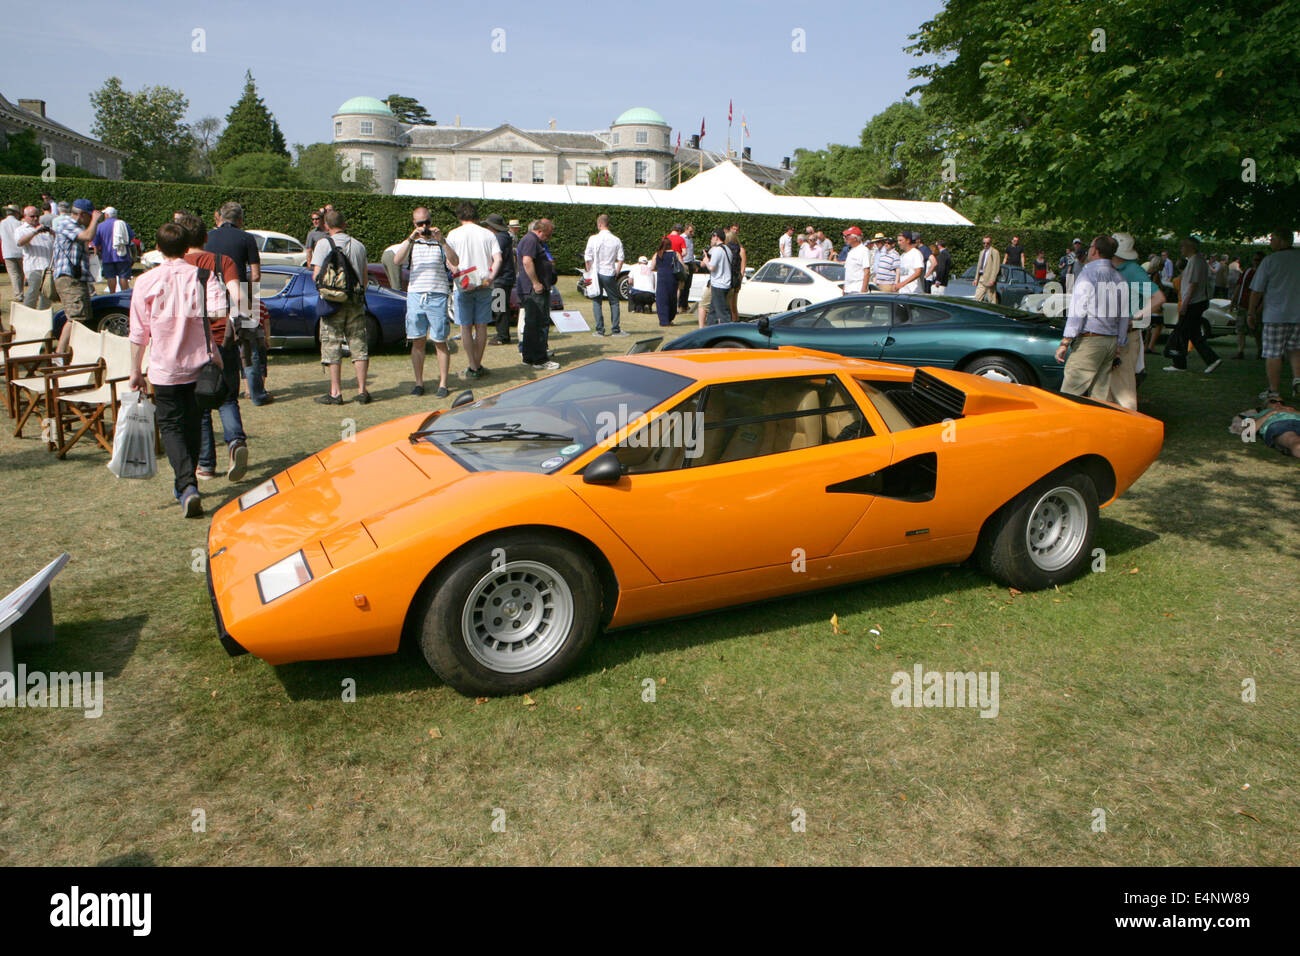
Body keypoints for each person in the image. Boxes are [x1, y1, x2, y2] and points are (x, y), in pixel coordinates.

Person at [127, 223, 212, 518]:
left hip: (164, 366)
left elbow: (139, 331)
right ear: (187, 247)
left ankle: (186, 484)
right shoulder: (202, 276)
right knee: (194, 421)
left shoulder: (146, 281)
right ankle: (187, 482)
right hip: (198, 363)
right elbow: (214, 313)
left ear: (159, 247)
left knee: (172, 426)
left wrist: (135, 369)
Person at [177, 214, 250, 482]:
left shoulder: (179, 266)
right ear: (205, 238)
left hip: (193, 340)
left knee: (201, 403)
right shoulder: (223, 261)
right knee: (228, 396)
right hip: (223, 337)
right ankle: (235, 442)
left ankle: (206, 464)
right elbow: (239, 296)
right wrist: (235, 319)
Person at [206, 202, 271, 405]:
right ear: (240, 220)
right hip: (242, 293)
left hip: (212, 295)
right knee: (249, 346)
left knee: (216, 342)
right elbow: (256, 274)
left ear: (219, 217)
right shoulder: (247, 238)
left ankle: (216, 387)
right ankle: (256, 394)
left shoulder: (207, 237)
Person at [393, 206, 458, 398]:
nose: (424, 227)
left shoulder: (440, 243)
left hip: (437, 294)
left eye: (427, 223)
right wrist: (412, 237)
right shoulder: (411, 243)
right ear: (414, 224)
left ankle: (443, 384)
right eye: (420, 223)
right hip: (415, 295)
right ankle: (419, 383)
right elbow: (397, 260)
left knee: (440, 341)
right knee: (418, 340)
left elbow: (455, 261)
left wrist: (443, 241)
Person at [310, 209, 371, 403]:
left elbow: (316, 276)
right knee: (358, 344)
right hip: (354, 301)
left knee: (332, 343)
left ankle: (335, 392)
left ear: (326, 226)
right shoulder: (359, 246)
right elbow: (364, 278)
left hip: (331, 302)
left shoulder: (322, 244)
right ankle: (362, 390)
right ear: (345, 224)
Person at [1056, 235, 1128, 399]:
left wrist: (1065, 341)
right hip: (1110, 341)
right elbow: (1124, 316)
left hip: (1090, 341)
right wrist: (1119, 345)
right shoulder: (1119, 278)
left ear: (1095, 250)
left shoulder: (1088, 275)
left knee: (1070, 394)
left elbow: (1078, 311)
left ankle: (1069, 424)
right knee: (1099, 397)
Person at [444, 201, 501, 379]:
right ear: (475, 216)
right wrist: (491, 277)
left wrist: (455, 271)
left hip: (463, 283)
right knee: (482, 326)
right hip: (484, 282)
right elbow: (498, 259)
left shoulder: (453, 234)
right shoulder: (488, 234)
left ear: (459, 216)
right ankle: (477, 364)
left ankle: (473, 364)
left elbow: (450, 260)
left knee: (465, 327)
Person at [1107, 232, 1165, 410]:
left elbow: (1158, 297)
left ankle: (1132, 429)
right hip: (1116, 334)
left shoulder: (1132, 270)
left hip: (1125, 335)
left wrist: (1137, 317)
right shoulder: (1117, 269)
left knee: (1124, 389)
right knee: (1111, 387)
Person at [1247, 230, 1300, 402]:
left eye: (1273, 239)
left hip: (1275, 315)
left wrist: (1251, 311)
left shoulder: (1270, 261)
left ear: (1281, 241)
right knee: (1295, 349)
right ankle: (1297, 379)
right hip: (1298, 314)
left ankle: (1274, 391)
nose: (1270, 241)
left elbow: (1257, 290)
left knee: (1273, 353)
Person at [1164, 237, 1221, 374]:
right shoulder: (1196, 260)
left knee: (1183, 330)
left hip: (1193, 302)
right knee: (1191, 332)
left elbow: (1193, 284)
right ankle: (1182, 362)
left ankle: (1205, 359)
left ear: (1190, 247)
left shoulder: (1196, 261)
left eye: (1183, 246)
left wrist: (1185, 303)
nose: (1181, 249)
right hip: (1195, 302)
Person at [52, 199, 102, 352]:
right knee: (75, 317)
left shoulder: (75, 226)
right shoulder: (66, 223)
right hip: (68, 277)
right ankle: (59, 354)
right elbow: (88, 236)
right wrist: (95, 220)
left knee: (82, 316)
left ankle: (74, 350)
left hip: (76, 277)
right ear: (81, 214)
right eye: (89, 216)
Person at [516, 219, 559, 370]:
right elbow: (527, 261)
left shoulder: (532, 240)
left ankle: (528, 357)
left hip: (533, 289)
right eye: (547, 235)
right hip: (534, 290)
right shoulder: (531, 240)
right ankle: (540, 359)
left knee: (532, 324)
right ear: (540, 231)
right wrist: (536, 283)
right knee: (539, 323)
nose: (548, 238)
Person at [584, 214, 626, 336]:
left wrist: (589, 272)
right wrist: (617, 272)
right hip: (609, 272)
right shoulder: (616, 239)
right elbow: (621, 258)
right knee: (614, 301)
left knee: (596, 300)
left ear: (599, 224)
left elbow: (588, 257)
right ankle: (615, 329)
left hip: (595, 273)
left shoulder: (593, 239)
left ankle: (600, 330)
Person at [484, 213, 516, 346]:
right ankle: (503, 334)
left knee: (499, 307)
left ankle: (502, 336)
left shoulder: (499, 239)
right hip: (505, 278)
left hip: (501, 278)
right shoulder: (504, 237)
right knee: (501, 307)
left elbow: (495, 257)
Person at [14, 206, 53, 308]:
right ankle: (28, 314)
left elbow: (55, 242)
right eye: (32, 216)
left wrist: (52, 232)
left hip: (47, 267)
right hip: (33, 267)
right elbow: (20, 242)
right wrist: (35, 232)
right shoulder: (21, 229)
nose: (35, 218)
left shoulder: (43, 228)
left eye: (37, 216)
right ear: (25, 216)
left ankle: (44, 316)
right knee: (33, 293)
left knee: (47, 294)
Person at [1229, 403, 1300, 457]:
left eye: (1281, 402)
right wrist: (1270, 413)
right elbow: (1248, 432)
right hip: (1278, 425)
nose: (1278, 403)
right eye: (1273, 401)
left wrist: (1295, 411)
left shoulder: (1292, 411)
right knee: (1294, 441)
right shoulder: (1258, 415)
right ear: (1266, 405)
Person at [91, 206, 133, 293]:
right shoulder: (123, 224)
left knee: (110, 277)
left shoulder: (100, 226)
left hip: (107, 256)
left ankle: (112, 295)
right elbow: (131, 237)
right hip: (122, 255)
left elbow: (96, 242)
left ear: (106, 215)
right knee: (123, 277)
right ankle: (125, 294)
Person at [1233, 251, 1265, 359]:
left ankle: (1260, 350)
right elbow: (1239, 285)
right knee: (1241, 328)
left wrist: (1260, 308)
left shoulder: (1265, 274)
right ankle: (1240, 351)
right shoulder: (1247, 272)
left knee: (1257, 330)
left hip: (1257, 306)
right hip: (1243, 304)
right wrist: (1234, 300)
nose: (1256, 262)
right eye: (1255, 260)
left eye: (1258, 260)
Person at [701, 229, 733, 325]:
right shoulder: (727, 249)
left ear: (716, 237)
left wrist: (706, 260)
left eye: (712, 237)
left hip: (719, 284)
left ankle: (727, 333)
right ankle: (710, 331)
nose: (711, 239)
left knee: (722, 313)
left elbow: (712, 267)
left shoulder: (717, 250)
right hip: (725, 283)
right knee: (713, 311)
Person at [649, 237, 680, 327]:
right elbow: (681, 265)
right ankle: (670, 318)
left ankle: (663, 320)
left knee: (662, 299)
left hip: (662, 278)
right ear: (670, 244)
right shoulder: (675, 254)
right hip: (673, 278)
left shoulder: (658, 254)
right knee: (672, 298)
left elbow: (652, 267)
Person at [1, 204, 24, 301]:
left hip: (8, 251)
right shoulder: (19, 223)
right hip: (20, 251)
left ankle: (18, 294)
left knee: (13, 274)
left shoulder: (1, 223)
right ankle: (21, 292)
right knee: (21, 273)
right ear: (16, 213)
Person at [724, 226, 746, 319]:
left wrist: (739, 281)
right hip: (728, 280)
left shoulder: (741, 250)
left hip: (735, 280)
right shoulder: (727, 249)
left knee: (733, 306)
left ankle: (734, 323)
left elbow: (742, 267)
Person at [841, 227, 870, 295]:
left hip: (857, 290)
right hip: (848, 290)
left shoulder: (864, 250)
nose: (844, 238)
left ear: (855, 238)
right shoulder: (851, 251)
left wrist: (863, 290)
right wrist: (844, 288)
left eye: (847, 236)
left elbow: (867, 271)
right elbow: (848, 272)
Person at [973, 234, 1002, 303]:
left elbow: (996, 266)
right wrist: (976, 278)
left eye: (987, 243)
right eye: (984, 243)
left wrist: (992, 279)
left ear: (990, 243)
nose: (985, 245)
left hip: (989, 279)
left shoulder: (994, 252)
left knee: (992, 300)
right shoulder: (981, 252)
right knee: (977, 298)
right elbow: (979, 266)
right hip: (981, 278)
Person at [677, 223, 696, 313]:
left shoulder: (690, 239)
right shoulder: (681, 238)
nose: (692, 233)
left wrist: (694, 264)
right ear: (686, 230)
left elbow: (691, 252)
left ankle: (685, 304)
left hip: (690, 263)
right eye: (690, 231)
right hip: (683, 263)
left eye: (692, 231)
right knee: (682, 286)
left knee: (688, 286)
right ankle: (680, 305)